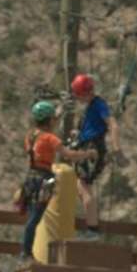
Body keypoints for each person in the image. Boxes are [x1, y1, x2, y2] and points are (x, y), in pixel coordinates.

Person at [15, 100, 94, 262]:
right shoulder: (50, 139)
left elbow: (50, 124)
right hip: (43, 180)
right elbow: (69, 155)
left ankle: (26, 251)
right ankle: (26, 253)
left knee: (32, 216)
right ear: (49, 120)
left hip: (30, 178)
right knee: (35, 218)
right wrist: (88, 154)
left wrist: (59, 112)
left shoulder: (31, 136)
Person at [68, 73, 118, 240]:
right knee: (80, 186)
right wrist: (78, 133)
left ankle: (93, 228)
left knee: (83, 186)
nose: (77, 98)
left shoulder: (99, 104)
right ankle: (92, 225)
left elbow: (111, 123)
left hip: (93, 148)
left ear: (83, 93)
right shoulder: (91, 107)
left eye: (78, 94)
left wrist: (116, 147)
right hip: (88, 144)